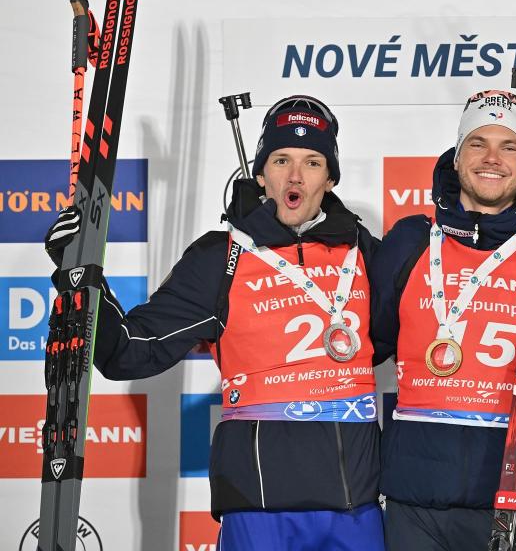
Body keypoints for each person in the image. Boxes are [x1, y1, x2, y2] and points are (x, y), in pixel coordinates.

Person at [45, 95, 384, 551]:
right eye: (281, 160)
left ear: (330, 177)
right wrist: (82, 281)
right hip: (257, 502)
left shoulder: (366, 254)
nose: (296, 175)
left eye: (313, 161)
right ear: (261, 173)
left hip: (354, 501)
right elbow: (128, 351)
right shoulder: (219, 257)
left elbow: (413, 338)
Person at [370, 89, 516, 551]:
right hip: (413, 496)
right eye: (478, 143)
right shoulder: (411, 241)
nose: (492, 158)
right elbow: (361, 348)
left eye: (509, 146)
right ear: (457, 158)